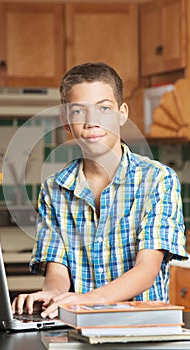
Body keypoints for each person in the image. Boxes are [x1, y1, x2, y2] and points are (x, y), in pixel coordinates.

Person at [12, 62, 188, 319]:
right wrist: (53, 295)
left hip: (143, 330)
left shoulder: (158, 179)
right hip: (78, 328)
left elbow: (147, 269)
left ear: (121, 113)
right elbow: (57, 270)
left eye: (104, 109)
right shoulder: (54, 188)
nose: (92, 122)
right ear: (66, 121)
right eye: (79, 111)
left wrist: (86, 300)